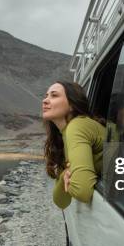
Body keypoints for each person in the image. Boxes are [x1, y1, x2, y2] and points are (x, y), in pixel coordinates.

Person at [42, 81, 105, 209]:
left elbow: (83, 192)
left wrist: (70, 175)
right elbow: (60, 202)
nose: (45, 100)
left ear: (72, 105)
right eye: (46, 95)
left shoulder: (78, 125)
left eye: (54, 95)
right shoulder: (63, 137)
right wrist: (65, 172)